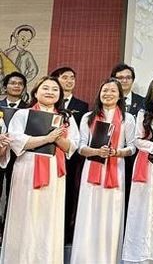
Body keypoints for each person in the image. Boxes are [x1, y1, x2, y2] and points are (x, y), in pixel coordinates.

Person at [1, 76, 80, 263]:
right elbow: (17, 141)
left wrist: (57, 138)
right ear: (36, 92)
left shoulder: (66, 118)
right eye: (45, 88)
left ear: (60, 94)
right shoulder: (23, 114)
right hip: (27, 169)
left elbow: (72, 146)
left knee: (49, 215)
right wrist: (48, 138)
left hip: (55, 171)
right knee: (25, 213)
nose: (50, 92)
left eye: (55, 89)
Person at [70, 78, 137, 264]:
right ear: (99, 94)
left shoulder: (127, 118)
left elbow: (132, 147)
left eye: (113, 91)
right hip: (92, 168)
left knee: (112, 214)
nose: (108, 94)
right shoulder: (88, 117)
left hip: (116, 170)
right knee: (89, 212)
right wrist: (95, 152)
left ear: (120, 95)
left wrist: (116, 152)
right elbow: (81, 146)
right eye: (105, 90)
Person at [122, 76, 153, 264]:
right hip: (147, 163)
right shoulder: (144, 113)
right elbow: (136, 141)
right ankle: (142, 253)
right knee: (143, 207)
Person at [50, 66, 89, 244]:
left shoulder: (82, 106)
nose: (69, 81)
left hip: (71, 157)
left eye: (72, 77)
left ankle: (65, 233)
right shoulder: (45, 104)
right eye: (65, 77)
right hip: (46, 154)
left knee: (69, 193)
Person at [110, 62, 144, 221]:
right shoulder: (108, 101)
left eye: (128, 77)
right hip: (112, 155)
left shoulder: (143, 102)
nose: (124, 81)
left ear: (133, 80)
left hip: (136, 156)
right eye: (120, 78)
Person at [0, 71, 29, 235]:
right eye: (13, 83)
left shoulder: (29, 108)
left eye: (20, 84)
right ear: (5, 86)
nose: (16, 86)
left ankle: (9, 230)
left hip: (20, 156)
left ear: (24, 88)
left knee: (15, 193)